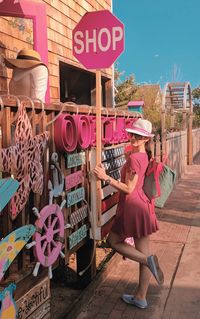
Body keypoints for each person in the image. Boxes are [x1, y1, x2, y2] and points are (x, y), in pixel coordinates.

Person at [94, 118, 164, 309]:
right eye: (132, 134)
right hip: (144, 206)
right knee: (144, 251)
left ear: (145, 139)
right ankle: (141, 296)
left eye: (138, 136)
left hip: (132, 207)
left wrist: (105, 177)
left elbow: (129, 188)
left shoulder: (135, 158)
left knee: (113, 241)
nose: (133, 138)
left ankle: (147, 261)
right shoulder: (142, 156)